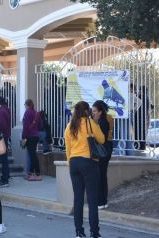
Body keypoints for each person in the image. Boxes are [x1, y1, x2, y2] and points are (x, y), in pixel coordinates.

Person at [64, 101, 105, 238]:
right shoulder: (90, 123)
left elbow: (68, 149)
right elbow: (102, 139)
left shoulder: (70, 126)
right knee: (92, 199)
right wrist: (95, 123)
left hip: (74, 163)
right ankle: (94, 232)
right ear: (87, 111)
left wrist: (70, 164)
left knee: (78, 198)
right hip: (88, 161)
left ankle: (79, 231)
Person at [92, 100, 114, 209]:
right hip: (107, 148)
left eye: (95, 111)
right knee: (102, 175)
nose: (93, 113)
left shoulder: (102, 122)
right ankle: (103, 201)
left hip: (103, 150)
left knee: (100, 176)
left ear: (100, 111)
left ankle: (101, 201)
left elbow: (101, 138)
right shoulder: (108, 118)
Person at [21, 99, 42, 181]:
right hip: (36, 136)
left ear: (27, 105)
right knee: (33, 155)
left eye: (25, 105)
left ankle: (36, 173)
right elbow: (40, 125)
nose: (24, 106)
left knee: (32, 155)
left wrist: (23, 137)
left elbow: (25, 126)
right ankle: (31, 173)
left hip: (29, 136)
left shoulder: (27, 112)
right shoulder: (37, 113)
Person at [0, 96, 11, 187]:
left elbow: (2, 125)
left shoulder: (1, 111)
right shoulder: (6, 109)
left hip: (2, 137)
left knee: (3, 158)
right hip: (5, 135)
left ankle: (4, 179)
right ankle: (6, 177)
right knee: (4, 158)